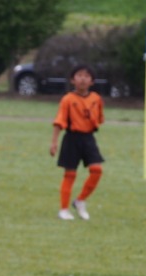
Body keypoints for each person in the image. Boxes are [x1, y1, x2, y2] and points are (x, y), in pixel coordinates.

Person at [50, 64, 104, 221]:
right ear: (72, 80)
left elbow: (99, 119)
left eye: (86, 76)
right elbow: (59, 122)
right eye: (79, 76)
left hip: (88, 138)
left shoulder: (96, 99)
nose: (82, 79)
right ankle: (64, 210)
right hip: (72, 138)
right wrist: (54, 142)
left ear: (92, 81)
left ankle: (80, 201)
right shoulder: (68, 99)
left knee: (96, 170)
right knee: (70, 174)